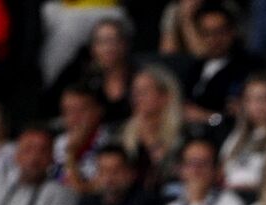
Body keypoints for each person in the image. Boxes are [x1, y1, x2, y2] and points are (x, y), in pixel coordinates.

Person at [218, 75, 266, 192]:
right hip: (232, 193)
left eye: (264, 98)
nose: (258, 105)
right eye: (251, 99)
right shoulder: (237, 136)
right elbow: (223, 169)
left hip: (263, 193)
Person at [179, 3, 253, 124]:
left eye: (220, 31)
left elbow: (238, 113)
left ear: (232, 32)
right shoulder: (194, 67)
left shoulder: (248, 67)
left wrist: (210, 118)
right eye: (207, 33)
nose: (215, 39)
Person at [123, 65, 187, 193]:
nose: (136, 98)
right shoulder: (121, 134)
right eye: (134, 92)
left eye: (144, 92)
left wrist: (151, 139)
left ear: (166, 96)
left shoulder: (185, 133)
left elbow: (170, 173)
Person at [66, 17, 135, 125]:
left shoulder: (140, 77)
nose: (107, 48)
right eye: (101, 42)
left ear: (124, 44)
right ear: (93, 49)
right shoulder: (89, 83)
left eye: (113, 40)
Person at [53, 85, 113, 194]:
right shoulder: (55, 144)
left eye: (81, 110)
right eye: (68, 111)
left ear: (98, 111)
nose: (74, 117)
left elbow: (88, 193)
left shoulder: (110, 143)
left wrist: (71, 153)